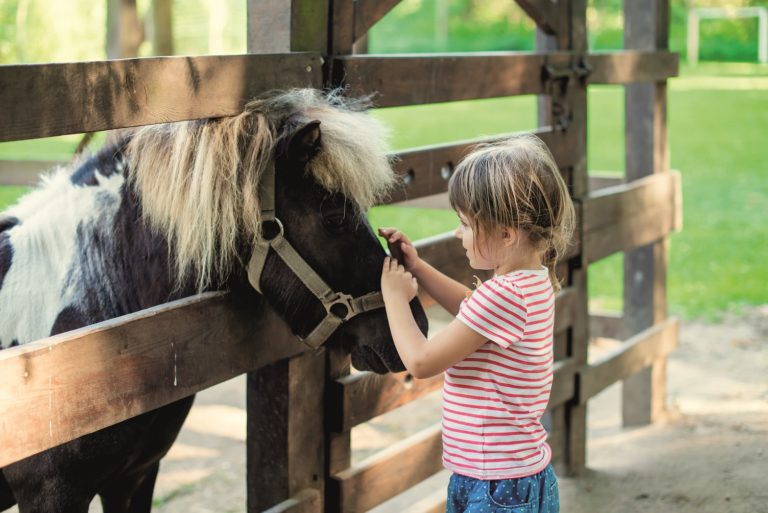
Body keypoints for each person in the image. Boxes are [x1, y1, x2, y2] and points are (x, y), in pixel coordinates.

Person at [379, 134, 574, 513]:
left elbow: (421, 362)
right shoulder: (530, 283)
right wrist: (418, 267)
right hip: (509, 477)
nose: (457, 234)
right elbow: (473, 311)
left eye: (466, 224)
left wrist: (394, 297)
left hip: (496, 485)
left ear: (506, 233)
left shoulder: (502, 295)